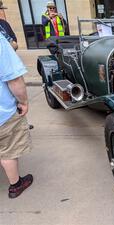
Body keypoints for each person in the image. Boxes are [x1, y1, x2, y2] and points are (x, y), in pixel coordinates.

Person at [0, 32, 33, 198]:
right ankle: (16, 185)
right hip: (2, 114)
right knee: (8, 150)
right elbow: (14, 79)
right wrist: (24, 102)